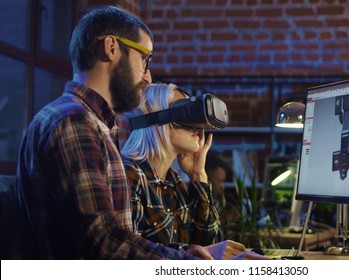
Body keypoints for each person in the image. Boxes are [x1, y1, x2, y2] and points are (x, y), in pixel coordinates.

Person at [15, 5, 265, 260]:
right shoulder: (74, 122)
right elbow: (104, 242)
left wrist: (194, 256)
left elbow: (118, 242)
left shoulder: (89, 123)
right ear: (111, 47)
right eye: (145, 59)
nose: (148, 77)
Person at [121, 83, 257, 259]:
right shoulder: (128, 174)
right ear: (158, 119)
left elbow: (208, 245)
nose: (196, 124)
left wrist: (198, 175)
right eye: (185, 112)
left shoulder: (174, 182)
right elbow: (127, 255)